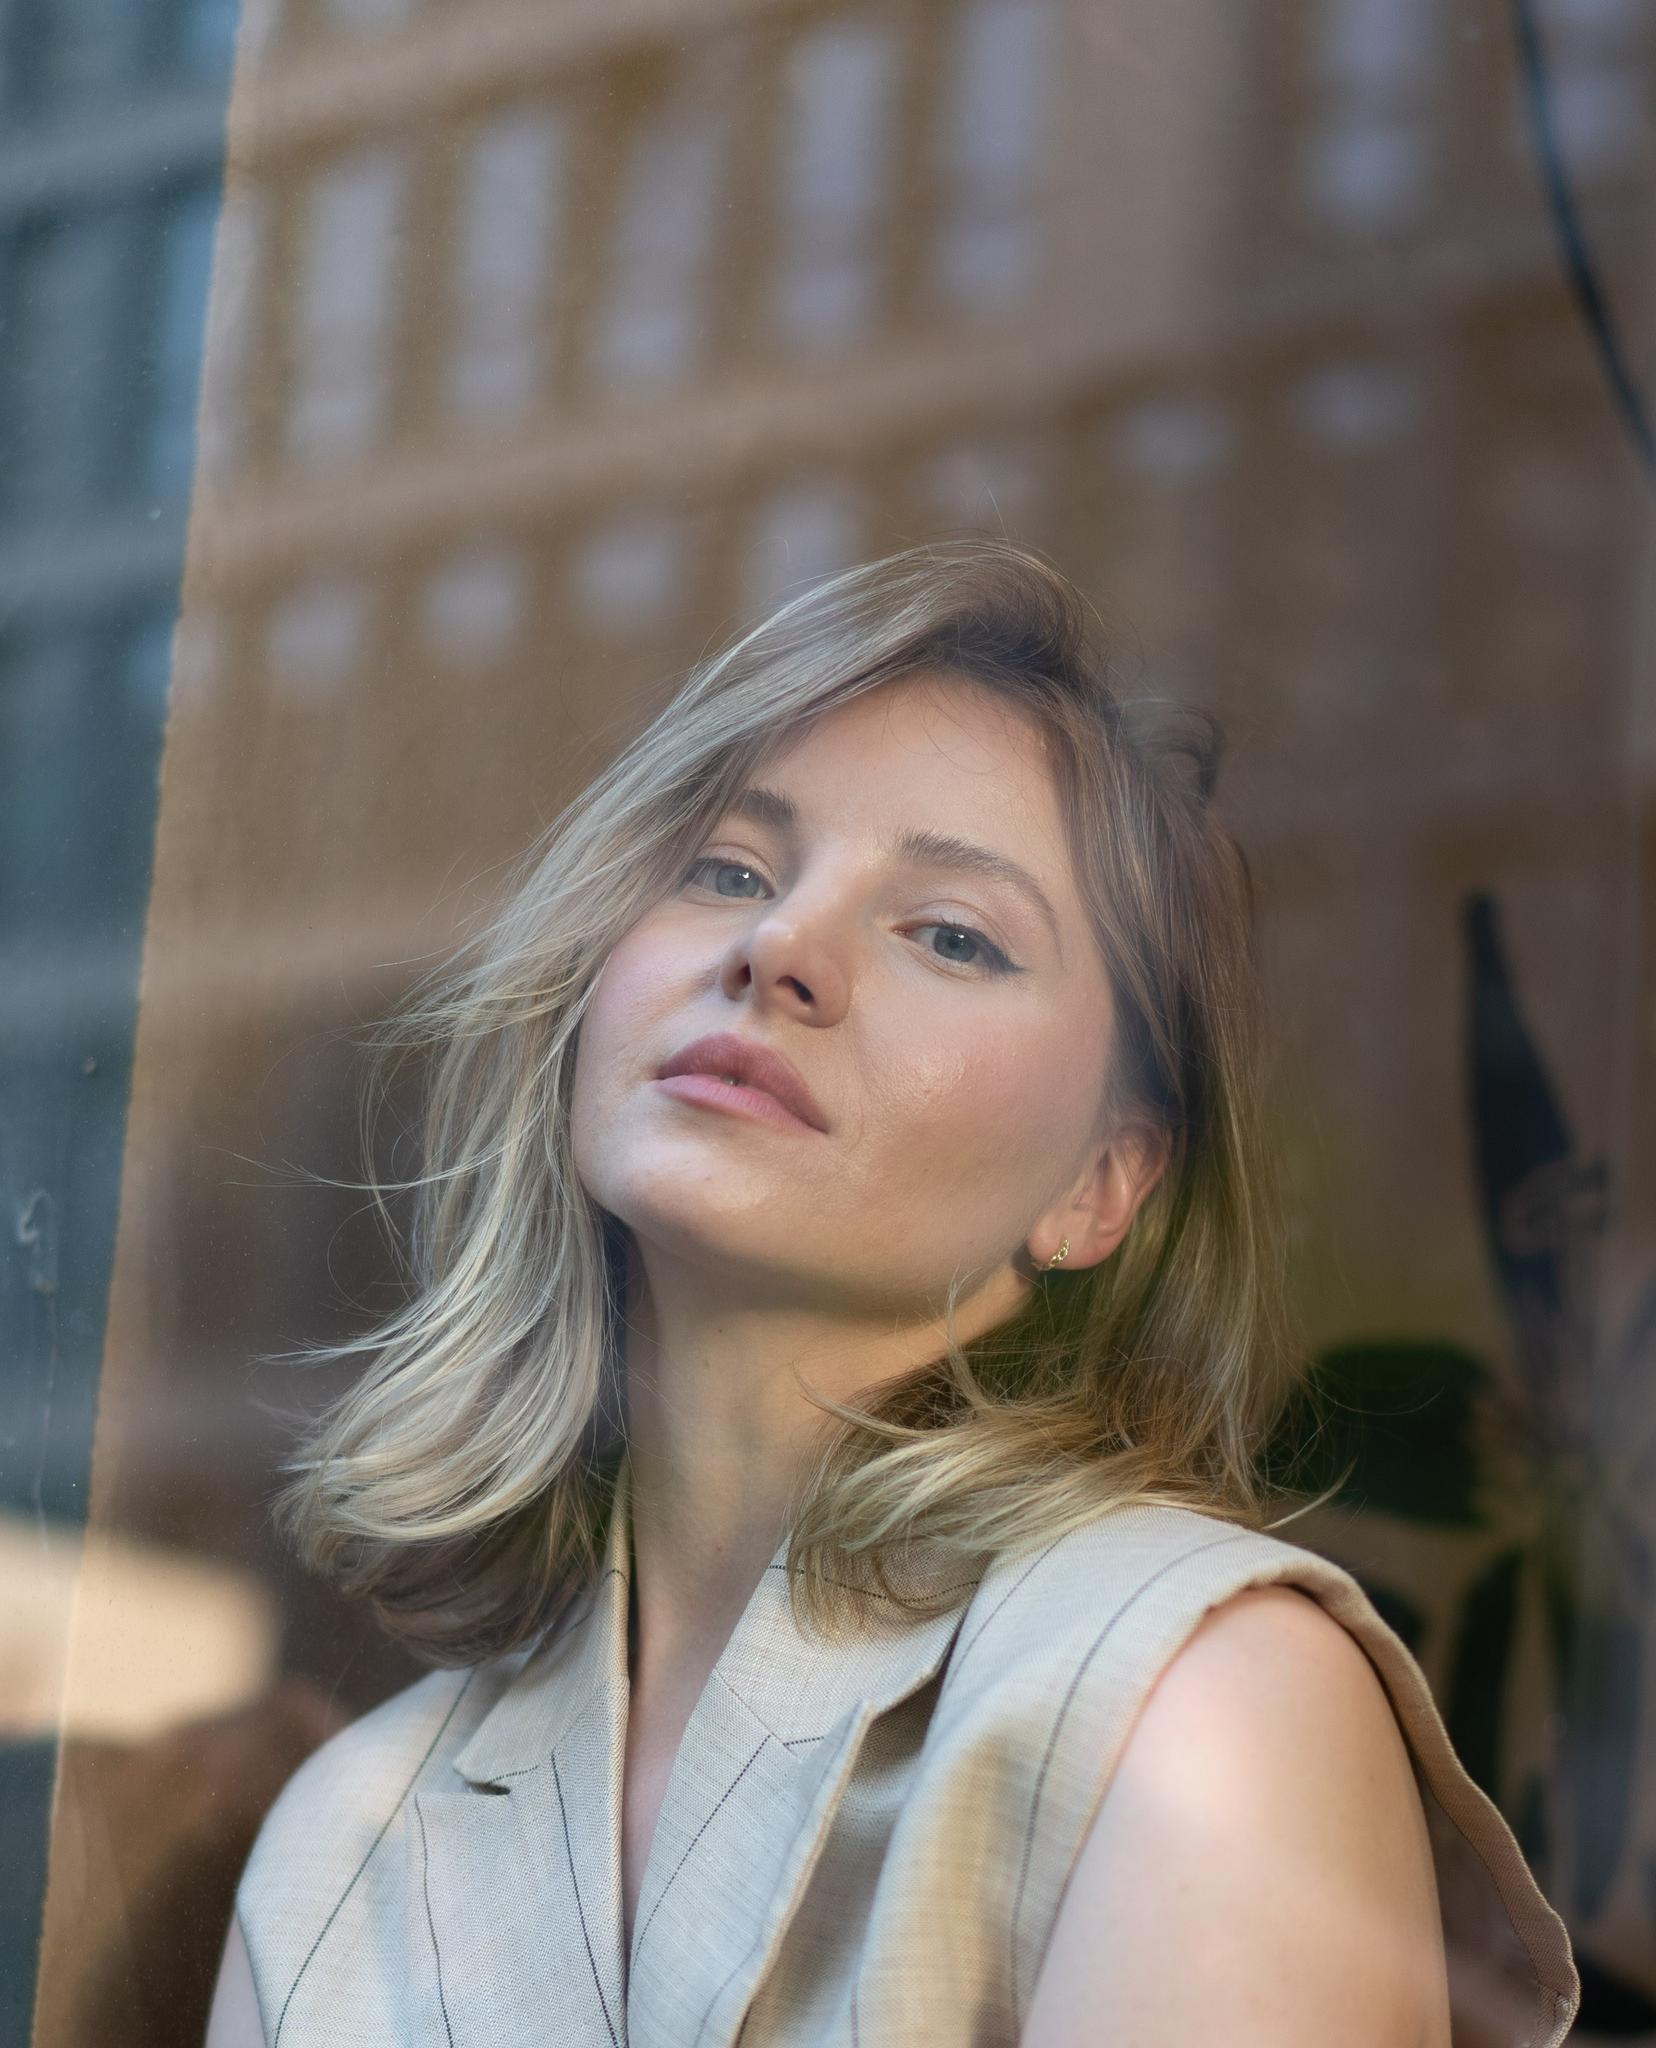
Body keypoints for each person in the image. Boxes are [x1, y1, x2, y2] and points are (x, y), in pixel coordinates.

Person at [212, 544, 1577, 2048]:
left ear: (1099, 1186)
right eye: (729, 869)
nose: (780, 948)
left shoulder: (1202, 1704)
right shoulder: (347, 1845)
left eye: (952, 933)